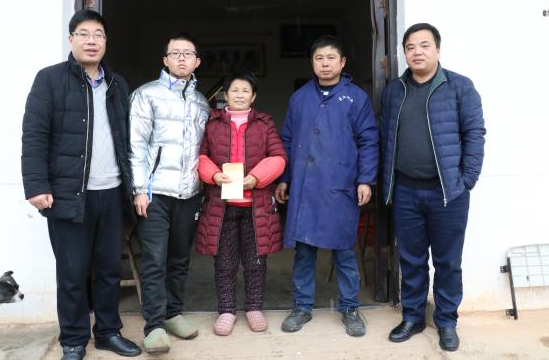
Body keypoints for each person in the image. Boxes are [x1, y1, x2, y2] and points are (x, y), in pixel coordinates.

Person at [21, 9, 141, 360]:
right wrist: (36, 185)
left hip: (112, 192)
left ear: (106, 42)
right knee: (73, 273)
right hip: (68, 194)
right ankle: (73, 340)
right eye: (84, 34)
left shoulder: (117, 85)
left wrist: (134, 188)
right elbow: (34, 135)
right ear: (71, 39)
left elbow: (127, 140)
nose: (92, 41)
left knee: (108, 270)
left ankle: (108, 332)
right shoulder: (50, 79)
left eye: (98, 34)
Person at [379, 23, 485, 352]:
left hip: (447, 192)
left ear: (437, 50)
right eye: (410, 47)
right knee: (410, 259)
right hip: (406, 191)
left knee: (447, 261)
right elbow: (385, 137)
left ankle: (447, 321)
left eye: (424, 45)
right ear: (405, 53)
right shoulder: (394, 90)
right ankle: (413, 317)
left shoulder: (459, 86)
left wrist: (466, 180)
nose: (417, 52)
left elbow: (475, 133)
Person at [275, 35, 379, 337]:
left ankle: (350, 308)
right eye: (319, 58)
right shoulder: (300, 98)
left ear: (342, 62)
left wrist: (365, 179)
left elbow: (369, 140)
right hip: (305, 187)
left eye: (331, 58)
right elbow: (287, 140)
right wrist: (285, 177)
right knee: (304, 251)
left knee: (343, 250)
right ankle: (302, 306)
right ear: (312, 63)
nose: (325, 64)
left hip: (340, 186)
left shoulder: (355, 97)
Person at [129, 33, 210, 353]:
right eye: (175, 53)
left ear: (197, 62)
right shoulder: (146, 94)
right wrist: (139, 189)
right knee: (154, 259)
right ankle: (154, 326)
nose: (181, 58)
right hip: (155, 192)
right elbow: (135, 145)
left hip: (189, 193)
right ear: (165, 60)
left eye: (187, 53)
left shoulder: (201, 102)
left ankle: (174, 313)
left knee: (179, 258)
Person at [195, 72, 287, 336]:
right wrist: (213, 175)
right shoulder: (212, 123)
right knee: (224, 263)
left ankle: (254, 308)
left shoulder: (264, 123)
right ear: (225, 95)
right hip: (221, 206)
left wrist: (256, 177)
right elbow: (200, 155)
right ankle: (226, 310)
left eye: (245, 91)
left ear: (253, 97)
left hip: (256, 207)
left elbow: (278, 157)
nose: (239, 95)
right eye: (234, 90)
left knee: (255, 262)